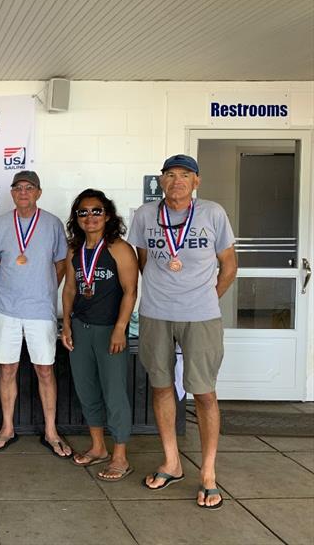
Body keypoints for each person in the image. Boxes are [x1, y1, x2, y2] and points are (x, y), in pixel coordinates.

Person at [128, 154, 236, 509]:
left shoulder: (212, 213)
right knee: (161, 387)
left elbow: (229, 265)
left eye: (185, 175)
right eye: (170, 175)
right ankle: (172, 462)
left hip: (201, 317)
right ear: (161, 181)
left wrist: (206, 297)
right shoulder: (145, 215)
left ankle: (208, 473)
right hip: (156, 314)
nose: (177, 181)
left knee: (204, 392)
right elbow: (143, 260)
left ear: (196, 181)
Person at [0, 170, 72, 457]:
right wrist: (13, 287)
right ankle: (7, 428)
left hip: (40, 310)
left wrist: (43, 288)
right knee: (7, 369)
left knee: (45, 371)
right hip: (6, 309)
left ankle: (51, 431)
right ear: (12, 193)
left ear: (38, 192)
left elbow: (61, 264)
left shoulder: (52, 224)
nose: (23, 192)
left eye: (29, 187)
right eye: (18, 187)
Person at [61, 188, 138, 481]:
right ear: (76, 218)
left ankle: (120, 456)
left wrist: (120, 328)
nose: (89, 217)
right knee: (87, 389)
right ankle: (98, 447)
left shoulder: (119, 248)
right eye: (83, 212)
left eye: (96, 211)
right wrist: (66, 324)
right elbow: (70, 288)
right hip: (81, 328)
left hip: (110, 331)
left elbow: (131, 291)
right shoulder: (74, 250)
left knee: (114, 393)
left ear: (107, 215)